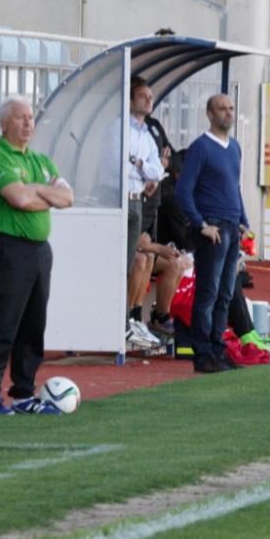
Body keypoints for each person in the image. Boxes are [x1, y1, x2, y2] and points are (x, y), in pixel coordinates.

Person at [0, 96, 73, 416]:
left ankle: (23, 393)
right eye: (21, 118)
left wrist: (35, 191)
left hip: (40, 250)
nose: (28, 123)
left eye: (31, 117)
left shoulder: (41, 161)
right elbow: (18, 199)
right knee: (2, 323)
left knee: (34, 324)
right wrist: (44, 193)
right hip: (9, 248)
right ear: (5, 124)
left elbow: (67, 197)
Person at [174, 93, 249, 373]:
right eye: (222, 109)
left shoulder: (235, 148)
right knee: (208, 293)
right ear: (209, 113)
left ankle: (218, 350)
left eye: (231, 108)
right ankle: (203, 353)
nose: (228, 113)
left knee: (225, 294)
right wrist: (201, 224)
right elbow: (183, 190)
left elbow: (235, 186)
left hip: (231, 225)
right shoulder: (201, 148)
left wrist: (243, 219)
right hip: (213, 227)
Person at [124, 77, 165, 344]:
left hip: (139, 199)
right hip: (124, 199)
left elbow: (157, 170)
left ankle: (135, 320)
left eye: (150, 96)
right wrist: (145, 168)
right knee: (130, 262)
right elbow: (124, 165)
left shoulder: (147, 133)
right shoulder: (121, 130)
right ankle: (124, 320)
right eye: (142, 96)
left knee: (143, 259)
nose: (149, 100)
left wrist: (140, 164)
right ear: (130, 100)